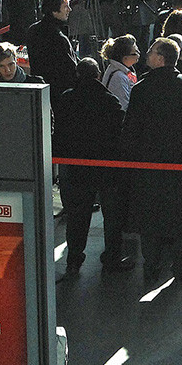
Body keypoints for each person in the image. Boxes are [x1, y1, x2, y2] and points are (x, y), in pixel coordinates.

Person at [121, 37, 182, 285]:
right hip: (181, 163)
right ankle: (180, 263)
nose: (146, 55)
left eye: (150, 52)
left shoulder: (141, 89)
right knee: (180, 215)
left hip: (149, 165)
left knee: (150, 218)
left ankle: (151, 265)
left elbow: (132, 129)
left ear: (160, 58)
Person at [53, 57, 131, 275]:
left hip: (76, 169)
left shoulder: (67, 99)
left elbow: (59, 134)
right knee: (112, 217)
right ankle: (112, 259)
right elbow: (119, 135)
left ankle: (73, 261)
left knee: (77, 218)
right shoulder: (110, 102)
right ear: (98, 75)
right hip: (106, 168)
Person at [28, 0, 79, 90]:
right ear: (54, 11)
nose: (69, 9)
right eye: (65, 7)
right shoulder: (58, 37)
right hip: (60, 91)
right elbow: (71, 68)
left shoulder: (33, 30)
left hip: (41, 88)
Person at [99, 34, 140, 111]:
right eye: (135, 53)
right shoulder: (119, 77)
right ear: (125, 58)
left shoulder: (121, 70)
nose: (139, 54)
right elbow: (123, 106)